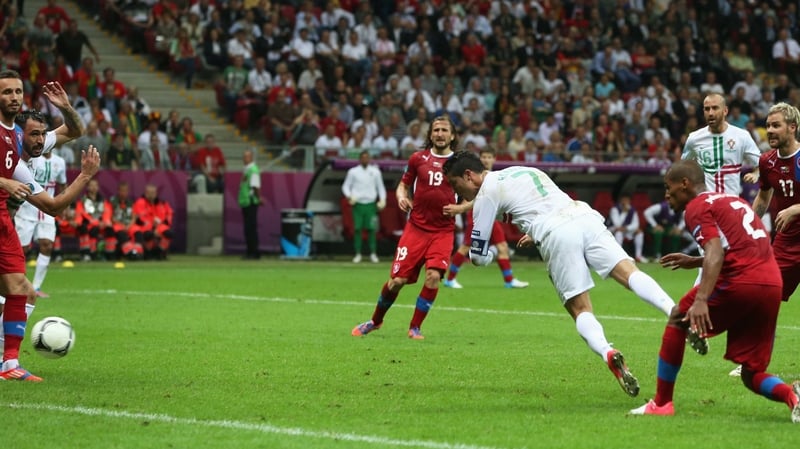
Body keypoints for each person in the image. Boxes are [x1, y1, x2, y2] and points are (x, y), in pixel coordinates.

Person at [441, 151, 705, 397]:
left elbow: (477, 256)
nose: (458, 194)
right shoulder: (521, 170)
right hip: (584, 216)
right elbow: (544, 202)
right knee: (629, 272)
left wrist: (490, 255)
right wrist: (533, 231)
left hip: (556, 233)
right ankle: (675, 310)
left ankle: (607, 351)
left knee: (579, 309)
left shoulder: (486, 193)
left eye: (455, 186)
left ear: (468, 176)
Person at [629, 159, 800, 421]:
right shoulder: (734, 202)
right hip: (771, 282)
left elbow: (715, 251)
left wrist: (701, 298)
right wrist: (695, 261)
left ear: (684, 184)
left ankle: (662, 403)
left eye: (668, 186)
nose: (666, 194)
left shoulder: (697, 207)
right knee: (751, 373)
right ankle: (793, 397)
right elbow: (745, 247)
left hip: (743, 280)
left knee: (677, 317)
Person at [0, 70, 101, 381]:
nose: (41, 140)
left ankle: (7, 363)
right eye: (7, 92)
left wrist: (66, 107)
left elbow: (75, 130)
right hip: (7, 221)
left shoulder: (26, 143)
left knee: (22, 292)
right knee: (19, 291)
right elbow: (54, 206)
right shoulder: (15, 149)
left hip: (6, 224)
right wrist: (84, 176)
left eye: (18, 92)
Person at [351, 116, 458, 340]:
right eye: (436, 130)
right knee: (396, 281)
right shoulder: (418, 159)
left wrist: (461, 208)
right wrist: (401, 197)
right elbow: (404, 185)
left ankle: (415, 327)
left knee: (433, 277)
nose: (440, 134)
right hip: (416, 229)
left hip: (443, 231)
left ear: (452, 135)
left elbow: (476, 194)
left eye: (444, 130)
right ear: (430, 135)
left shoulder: (461, 163)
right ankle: (375, 321)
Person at [681, 92, 762, 377]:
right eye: (706, 108)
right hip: (706, 212)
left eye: (715, 107)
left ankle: (694, 322)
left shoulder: (741, 137)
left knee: (716, 269)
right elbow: (684, 169)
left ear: (726, 110)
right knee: (718, 269)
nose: (711, 112)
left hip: (731, 216)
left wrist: (757, 174)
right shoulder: (694, 139)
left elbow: (762, 163)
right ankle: (700, 325)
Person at [442, 147, 529, 289]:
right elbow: (472, 198)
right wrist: (461, 208)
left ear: (494, 159)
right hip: (477, 217)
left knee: (503, 246)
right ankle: (450, 279)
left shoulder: (493, 176)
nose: (487, 159)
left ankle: (509, 280)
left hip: (492, 217)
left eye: (489, 157)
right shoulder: (473, 178)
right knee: (466, 248)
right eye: (484, 157)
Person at [752, 103, 800, 303]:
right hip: (787, 240)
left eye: (776, 125)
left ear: (792, 127)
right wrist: (747, 227)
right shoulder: (767, 161)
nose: (770, 130)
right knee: (764, 294)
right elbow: (763, 197)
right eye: (768, 125)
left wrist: (796, 209)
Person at [341, 150, 386, 264]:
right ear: (360, 159)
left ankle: (373, 253)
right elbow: (345, 186)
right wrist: (349, 196)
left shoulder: (375, 172)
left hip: (371, 204)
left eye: (367, 157)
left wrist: (383, 199)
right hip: (358, 204)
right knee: (357, 229)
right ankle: (357, 254)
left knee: (372, 229)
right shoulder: (353, 172)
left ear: (369, 159)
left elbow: (380, 187)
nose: (365, 159)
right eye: (363, 157)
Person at [129, 184, 174, 260]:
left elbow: (169, 214)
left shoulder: (162, 203)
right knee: (149, 234)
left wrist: (161, 224)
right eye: (150, 193)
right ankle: (147, 253)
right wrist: (153, 227)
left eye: (153, 192)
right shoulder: (140, 202)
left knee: (169, 233)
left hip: (159, 226)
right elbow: (141, 219)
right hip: (143, 227)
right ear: (146, 193)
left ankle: (158, 252)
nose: (152, 195)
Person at [607, 194, 647, 263]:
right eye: (623, 200)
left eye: (627, 200)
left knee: (639, 232)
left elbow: (636, 224)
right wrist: (625, 212)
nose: (625, 202)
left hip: (626, 230)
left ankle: (638, 256)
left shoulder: (632, 210)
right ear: (620, 201)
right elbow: (617, 224)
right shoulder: (615, 209)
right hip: (612, 229)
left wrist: (627, 228)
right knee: (619, 232)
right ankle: (618, 256)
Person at [239, 149, 262, 260]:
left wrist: (258, 198)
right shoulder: (247, 169)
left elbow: (255, 186)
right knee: (248, 228)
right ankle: (250, 251)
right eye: (244, 156)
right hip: (246, 201)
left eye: (247, 156)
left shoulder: (253, 170)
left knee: (251, 228)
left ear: (251, 158)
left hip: (250, 201)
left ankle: (254, 252)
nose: (244, 159)